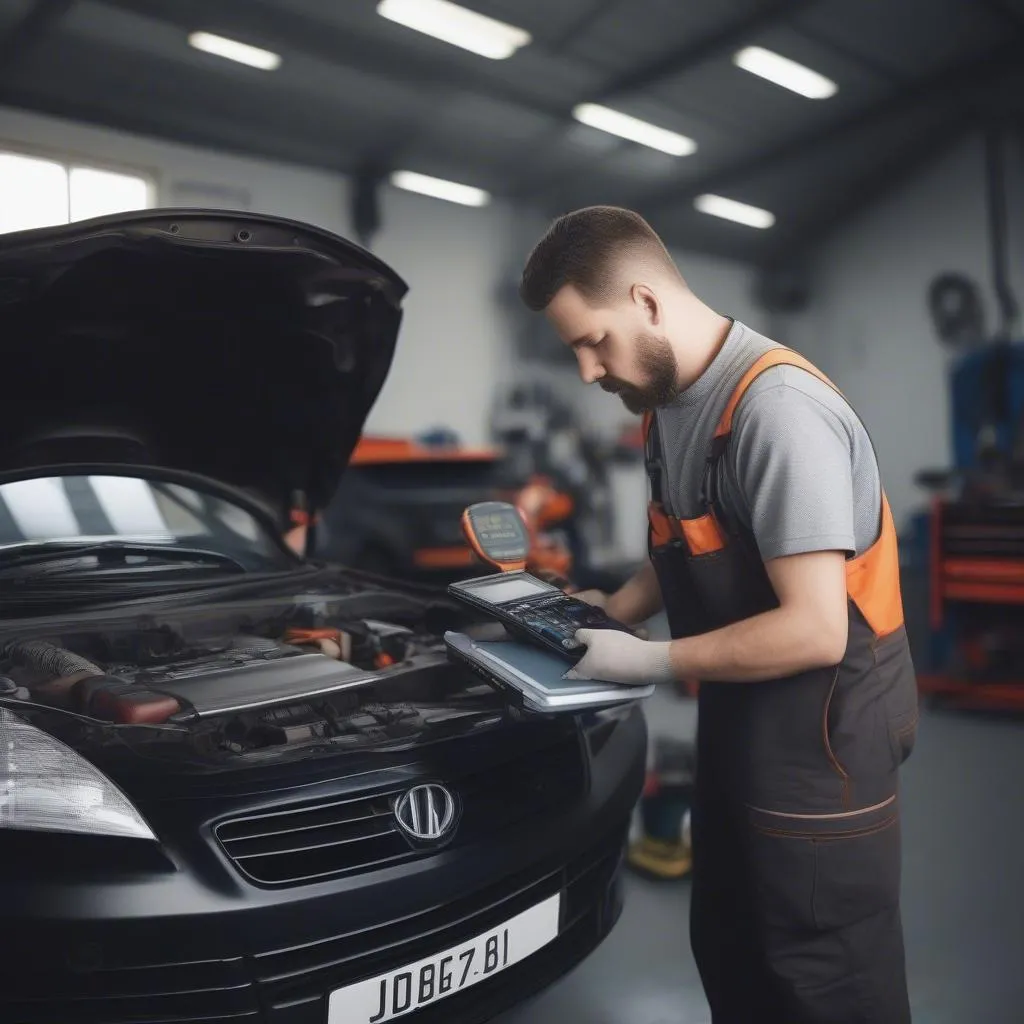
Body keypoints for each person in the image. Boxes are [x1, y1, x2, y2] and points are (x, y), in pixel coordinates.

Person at [518, 206, 918, 1024]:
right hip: (741, 728)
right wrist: (618, 606)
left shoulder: (776, 413)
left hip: (825, 747)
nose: (590, 372)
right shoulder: (666, 405)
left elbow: (815, 628)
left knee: (818, 976)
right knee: (735, 951)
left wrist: (649, 661)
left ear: (647, 302)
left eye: (595, 341)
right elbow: (692, 541)